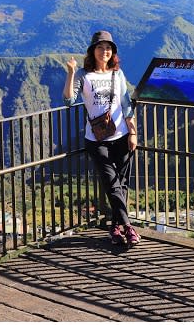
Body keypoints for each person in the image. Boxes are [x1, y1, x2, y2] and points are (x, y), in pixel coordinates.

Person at [63, 30, 140, 246]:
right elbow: (69, 101)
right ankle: (128, 227)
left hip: (121, 136)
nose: (104, 51)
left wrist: (132, 133)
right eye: (100, 47)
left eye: (108, 48)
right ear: (92, 50)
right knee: (111, 182)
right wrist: (70, 73)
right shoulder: (84, 75)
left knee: (121, 184)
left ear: (112, 52)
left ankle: (115, 229)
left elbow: (127, 107)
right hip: (96, 140)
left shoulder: (118, 74)